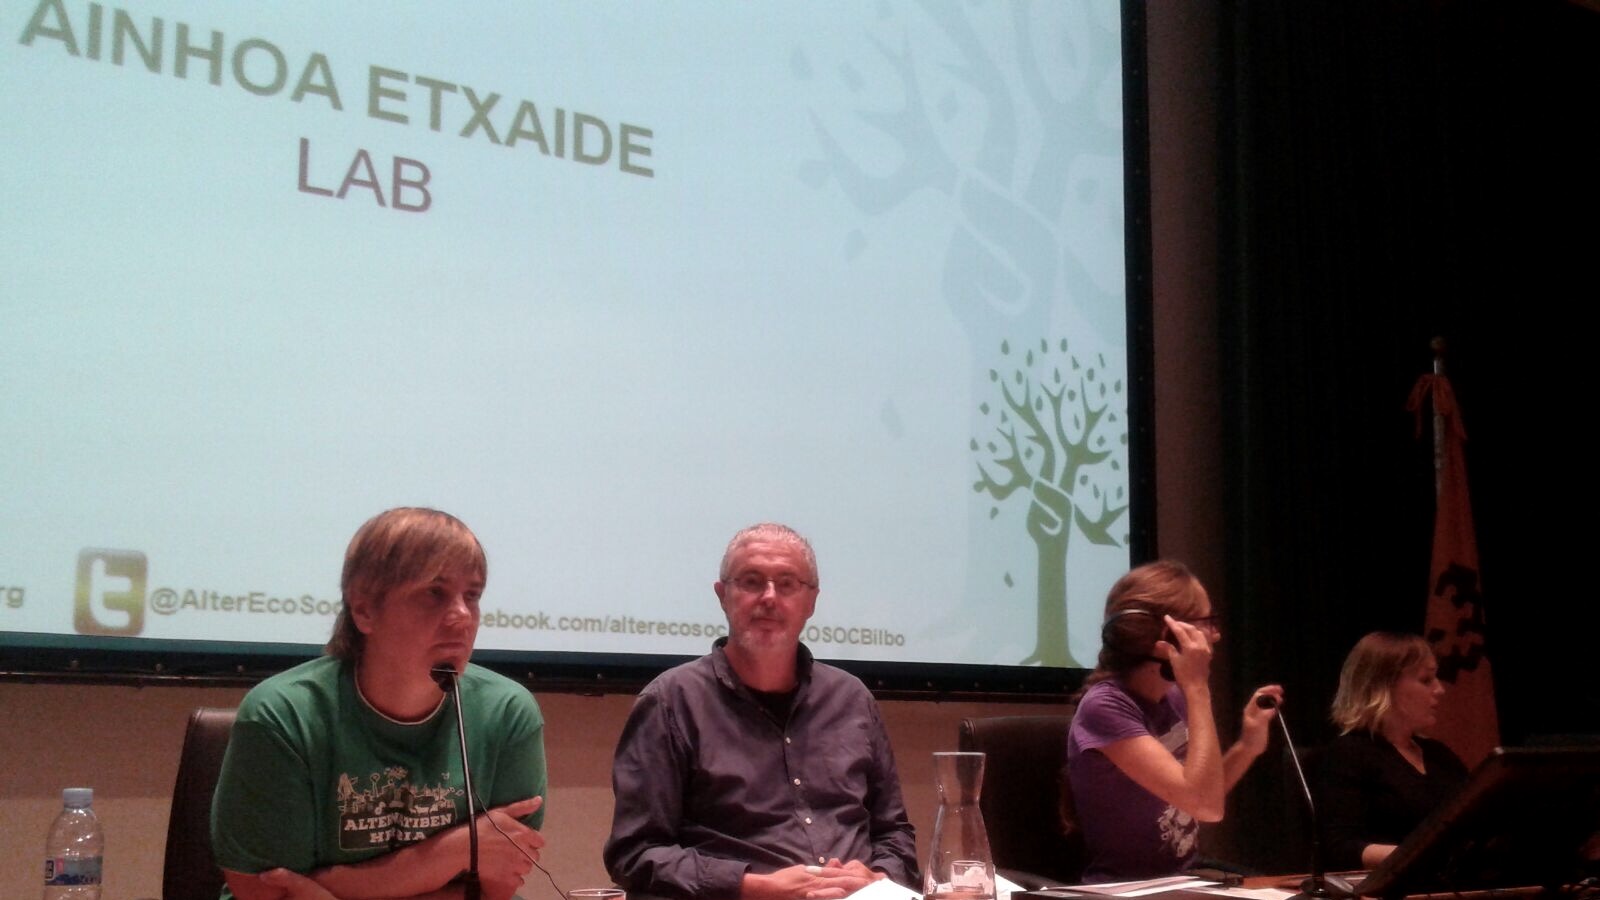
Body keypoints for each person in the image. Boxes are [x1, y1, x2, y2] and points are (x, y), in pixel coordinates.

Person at [210, 507, 548, 900]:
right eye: (434, 593)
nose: (462, 615)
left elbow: (495, 888)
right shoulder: (282, 715)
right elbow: (265, 892)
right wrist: (454, 853)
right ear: (365, 609)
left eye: (471, 596)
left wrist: (331, 888)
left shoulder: (507, 712)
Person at [603, 523, 919, 900]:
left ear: (811, 602)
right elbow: (635, 854)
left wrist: (876, 879)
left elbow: (894, 834)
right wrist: (755, 887)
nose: (769, 597)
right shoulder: (671, 701)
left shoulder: (852, 699)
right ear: (723, 596)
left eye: (787, 584)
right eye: (752, 582)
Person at [1065, 560, 1283, 882]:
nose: (1217, 634)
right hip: (1126, 889)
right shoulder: (1105, 707)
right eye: (1207, 622)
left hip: (1181, 879)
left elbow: (1197, 796)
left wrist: (1247, 746)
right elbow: (1206, 805)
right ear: (1168, 635)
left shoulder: (1173, 697)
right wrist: (1197, 687)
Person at [1318, 631, 1469, 871]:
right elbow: (1340, 848)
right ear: (1383, 686)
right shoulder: (1349, 754)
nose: (1439, 689)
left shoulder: (1440, 755)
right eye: (1426, 680)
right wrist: (1425, 854)